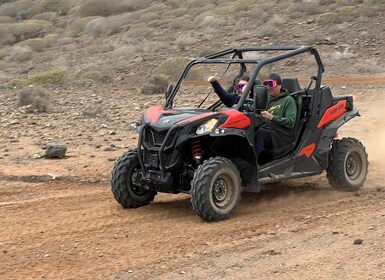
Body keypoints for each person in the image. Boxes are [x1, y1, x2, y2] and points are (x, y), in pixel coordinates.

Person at [254, 73, 297, 160]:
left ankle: (251, 163)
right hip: (267, 130)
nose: (268, 87)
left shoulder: (288, 100)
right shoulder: (267, 99)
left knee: (260, 133)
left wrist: (272, 117)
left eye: (271, 84)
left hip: (279, 135)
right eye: (266, 84)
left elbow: (291, 122)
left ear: (279, 86)